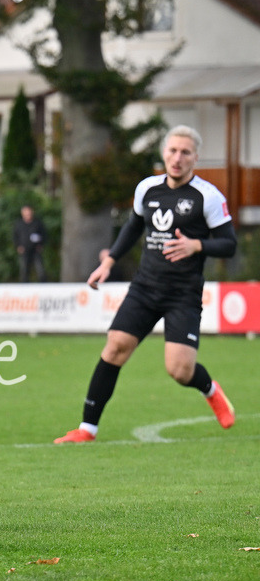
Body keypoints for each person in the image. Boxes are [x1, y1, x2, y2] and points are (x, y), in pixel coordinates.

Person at [55, 125, 237, 444]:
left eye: (184, 152)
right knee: (115, 347)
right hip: (145, 287)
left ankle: (211, 390)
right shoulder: (148, 189)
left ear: (195, 158)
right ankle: (87, 429)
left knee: (179, 370)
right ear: (164, 153)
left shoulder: (207, 197)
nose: (177, 158)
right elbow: (133, 227)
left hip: (183, 293)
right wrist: (109, 261)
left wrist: (198, 246)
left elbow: (229, 244)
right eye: (172, 150)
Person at [13, 204, 47, 282]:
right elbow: (15, 236)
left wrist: (41, 245)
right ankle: (24, 288)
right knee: (24, 270)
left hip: (36, 250)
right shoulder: (19, 224)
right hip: (24, 250)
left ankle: (44, 287)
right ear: (22, 213)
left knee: (40, 269)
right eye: (26, 213)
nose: (28, 214)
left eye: (29, 212)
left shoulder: (37, 223)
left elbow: (44, 235)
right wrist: (18, 246)